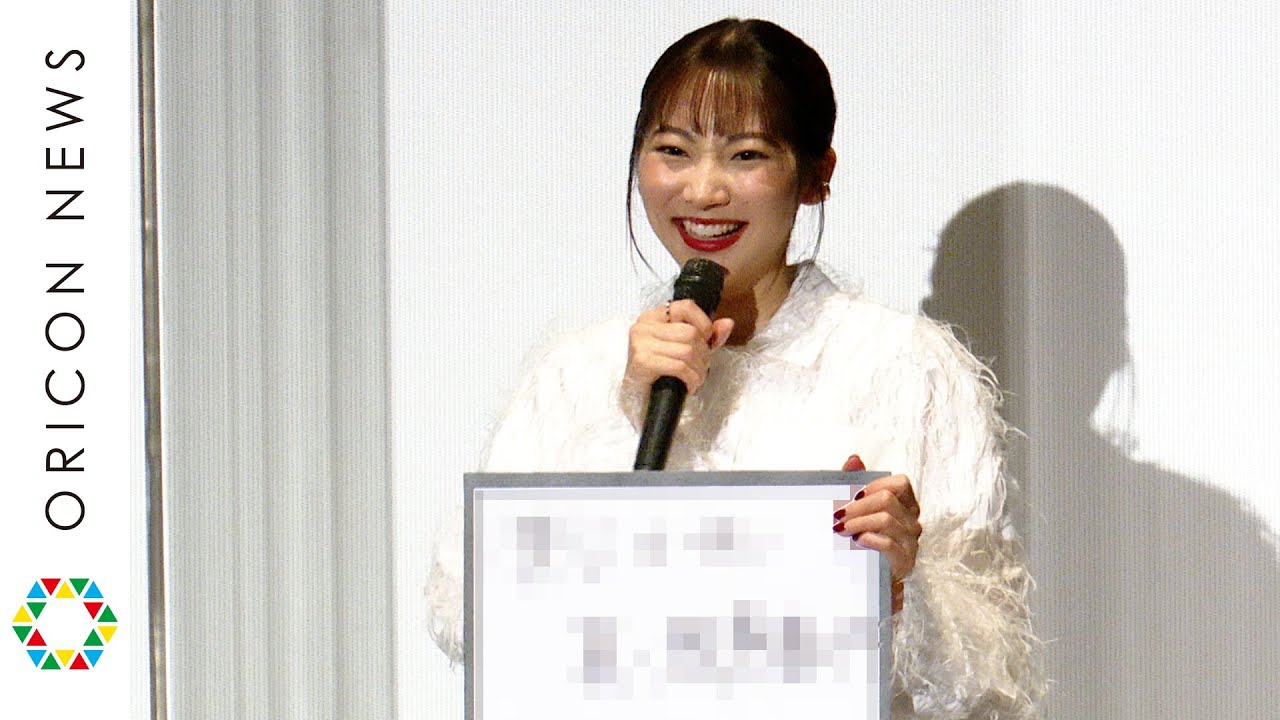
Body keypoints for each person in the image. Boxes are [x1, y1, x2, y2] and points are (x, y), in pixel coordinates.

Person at [427, 18, 1044, 718]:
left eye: (745, 155)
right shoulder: (578, 372)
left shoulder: (904, 367)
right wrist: (622, 416)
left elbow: (990, 678)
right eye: (673, 151)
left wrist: (905, 579)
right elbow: (462, 616)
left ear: (816, 175)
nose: (703, 190)